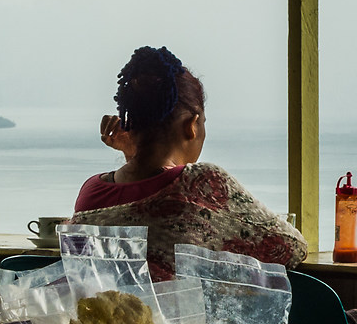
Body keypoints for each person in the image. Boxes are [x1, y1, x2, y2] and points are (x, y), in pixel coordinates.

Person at [73, 46, 307, 279]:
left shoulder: (90, 192)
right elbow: (293, 247)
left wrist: (133, 155)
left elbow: (128, 266)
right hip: (186, 317)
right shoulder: (201, 183)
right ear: (192, 125)